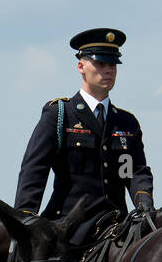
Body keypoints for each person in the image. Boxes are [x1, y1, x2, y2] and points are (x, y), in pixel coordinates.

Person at [14, 28, 154, 242]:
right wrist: (24, 222)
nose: (108, 70)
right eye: (101, 63)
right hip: (69, 231)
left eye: (113, 64)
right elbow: (34, 171)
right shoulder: (60, 115)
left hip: (117, 229)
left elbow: (133, 171)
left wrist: (144, 203)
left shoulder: (126, 122)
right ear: (81, 66)